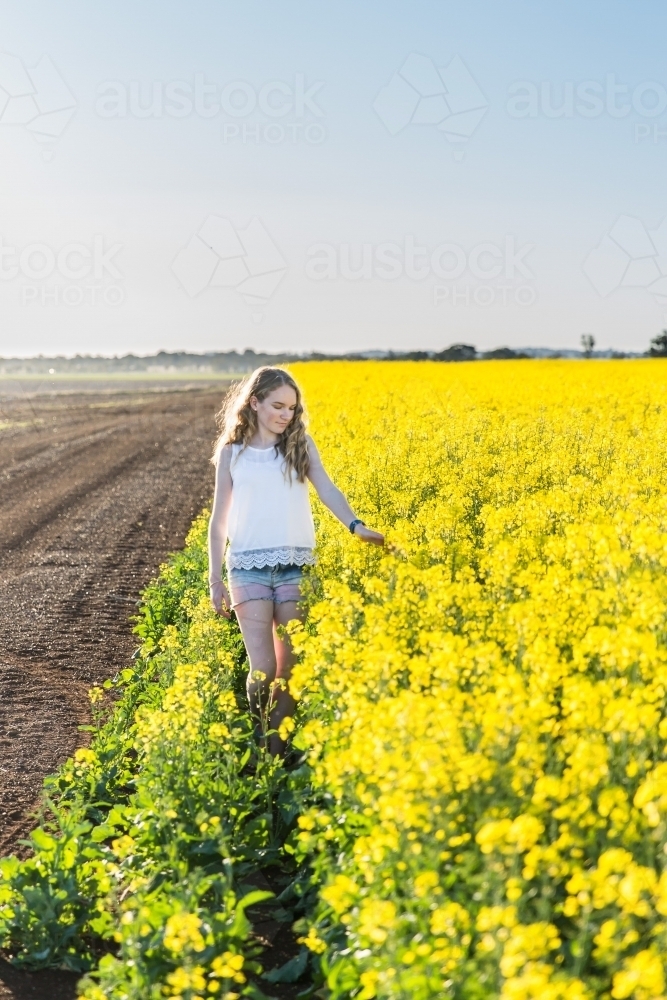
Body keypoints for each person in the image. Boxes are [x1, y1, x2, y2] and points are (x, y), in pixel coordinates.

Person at [208, 366, 383, 754]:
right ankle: (259, 735)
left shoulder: (299, 445)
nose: (286, 415)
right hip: (247, 567)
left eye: (292, 407)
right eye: (278, 406)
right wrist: (214, 579)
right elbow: (219, 519)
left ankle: (276, 747)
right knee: (263, 668)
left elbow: (327, 489)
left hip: (295, 566)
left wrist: (356, 526)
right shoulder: (232, 454)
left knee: (291, 670)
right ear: (254, 403)